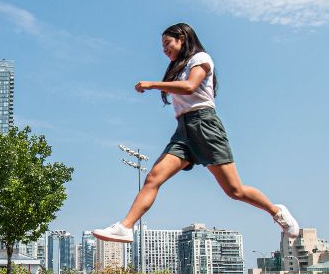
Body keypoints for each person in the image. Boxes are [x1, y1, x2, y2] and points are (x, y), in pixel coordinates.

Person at [93, 22, 299, 243]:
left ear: (182, 38)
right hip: (183, 131)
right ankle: (126, 227)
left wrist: (154, 84)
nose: (164, 50)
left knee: (235, 191)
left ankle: (276, 212)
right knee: (153, 178)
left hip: (204, 125)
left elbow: (191, 86)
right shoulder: (179, 68)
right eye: (162, 46)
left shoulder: (201, 58)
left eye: (167, 43)